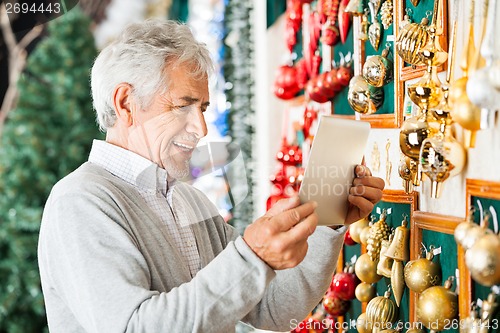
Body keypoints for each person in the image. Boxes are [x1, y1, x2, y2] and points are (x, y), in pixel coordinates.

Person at [37, 20, 385, 333]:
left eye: (202, 108)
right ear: (126, 103)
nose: (200, 128)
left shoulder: (187, 200)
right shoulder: (80, 202)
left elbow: (275, 309)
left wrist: (327, 219)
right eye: (182, 105)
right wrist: (254, 256)